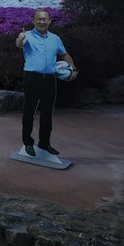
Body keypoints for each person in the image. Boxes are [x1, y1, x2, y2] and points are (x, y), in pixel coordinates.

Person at [15, 9, 78, 157]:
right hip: (32, 78)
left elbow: (64, 54)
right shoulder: (27, 36)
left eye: (45, 19)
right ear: (33, 21)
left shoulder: (55, 39)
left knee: (47, 113)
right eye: (39, 19)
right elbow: (19, 44)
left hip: (50, 79)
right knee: (29, 111)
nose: (42, 22)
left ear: (49, 21)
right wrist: (20, 38)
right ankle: (28, 143)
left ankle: (44, 143)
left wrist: (74, 69)